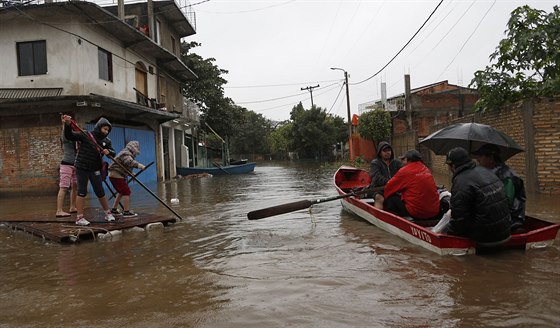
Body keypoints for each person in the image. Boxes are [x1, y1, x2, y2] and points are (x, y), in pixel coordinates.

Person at [443, 147, 511, 245]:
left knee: (445, 228)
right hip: (505, 231)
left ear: (453, 166)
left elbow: (459, 219)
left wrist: (449, 232)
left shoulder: (461, 182)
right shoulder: (486, 171)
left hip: (484, 237)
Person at [62, 115, 117, 226]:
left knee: (100, 191)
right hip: (82, 167)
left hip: (95, 168)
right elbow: (69, 136)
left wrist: (109, 152)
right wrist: (67, 125)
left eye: (108, 130)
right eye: (104, 129)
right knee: (82, 191)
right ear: (99, 127)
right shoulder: (86, 135)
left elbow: (113, 153)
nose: (106, 132)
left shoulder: (107, 141)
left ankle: (108, 213)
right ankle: (79, 218)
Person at [472, 144, 526, 231]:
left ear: (491, 158)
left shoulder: (507, 177)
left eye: (480, 156)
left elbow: (506, 202)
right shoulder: (489, 173)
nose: (477, 159)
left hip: (511, 221)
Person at [374, 149, 440, 219]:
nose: (402, 162)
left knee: (389, 198)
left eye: (404, 159)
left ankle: (389, 218)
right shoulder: (426, 169)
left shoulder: (404, 170)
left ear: (408, 160)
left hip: (416, 212)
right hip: (434, 211)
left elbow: (389, 188)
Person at [108, 141, 145, 218]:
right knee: (127, 192)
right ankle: (126, 212)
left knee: (121, 192)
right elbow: (129, 162)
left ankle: (114, 210)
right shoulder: (125, 153)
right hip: (116, 175)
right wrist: (139, 165)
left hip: (116, 175)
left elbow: (125, 167)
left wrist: (131, 173)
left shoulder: (127, 153)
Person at [56, 117, 78, 217]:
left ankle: (72, 207)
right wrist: (66, 123)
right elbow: (67, 132)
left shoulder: (76, 135)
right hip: (66, 164)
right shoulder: (65, 135)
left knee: (75, 186)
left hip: (76, 164)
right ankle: (59, 211)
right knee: (64, 187)